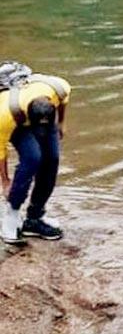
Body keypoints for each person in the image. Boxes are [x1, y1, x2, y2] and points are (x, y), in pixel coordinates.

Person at [0, 74, 71, 245]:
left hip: (45, 118)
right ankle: (11, 216)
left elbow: (63, 101)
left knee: (52, 158)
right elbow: (0, 150)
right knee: (32, 158)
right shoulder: (5, 116)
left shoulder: (60, 88)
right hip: (18, 122)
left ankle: (35, 217)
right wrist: (5, 181)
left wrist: (61, 122)